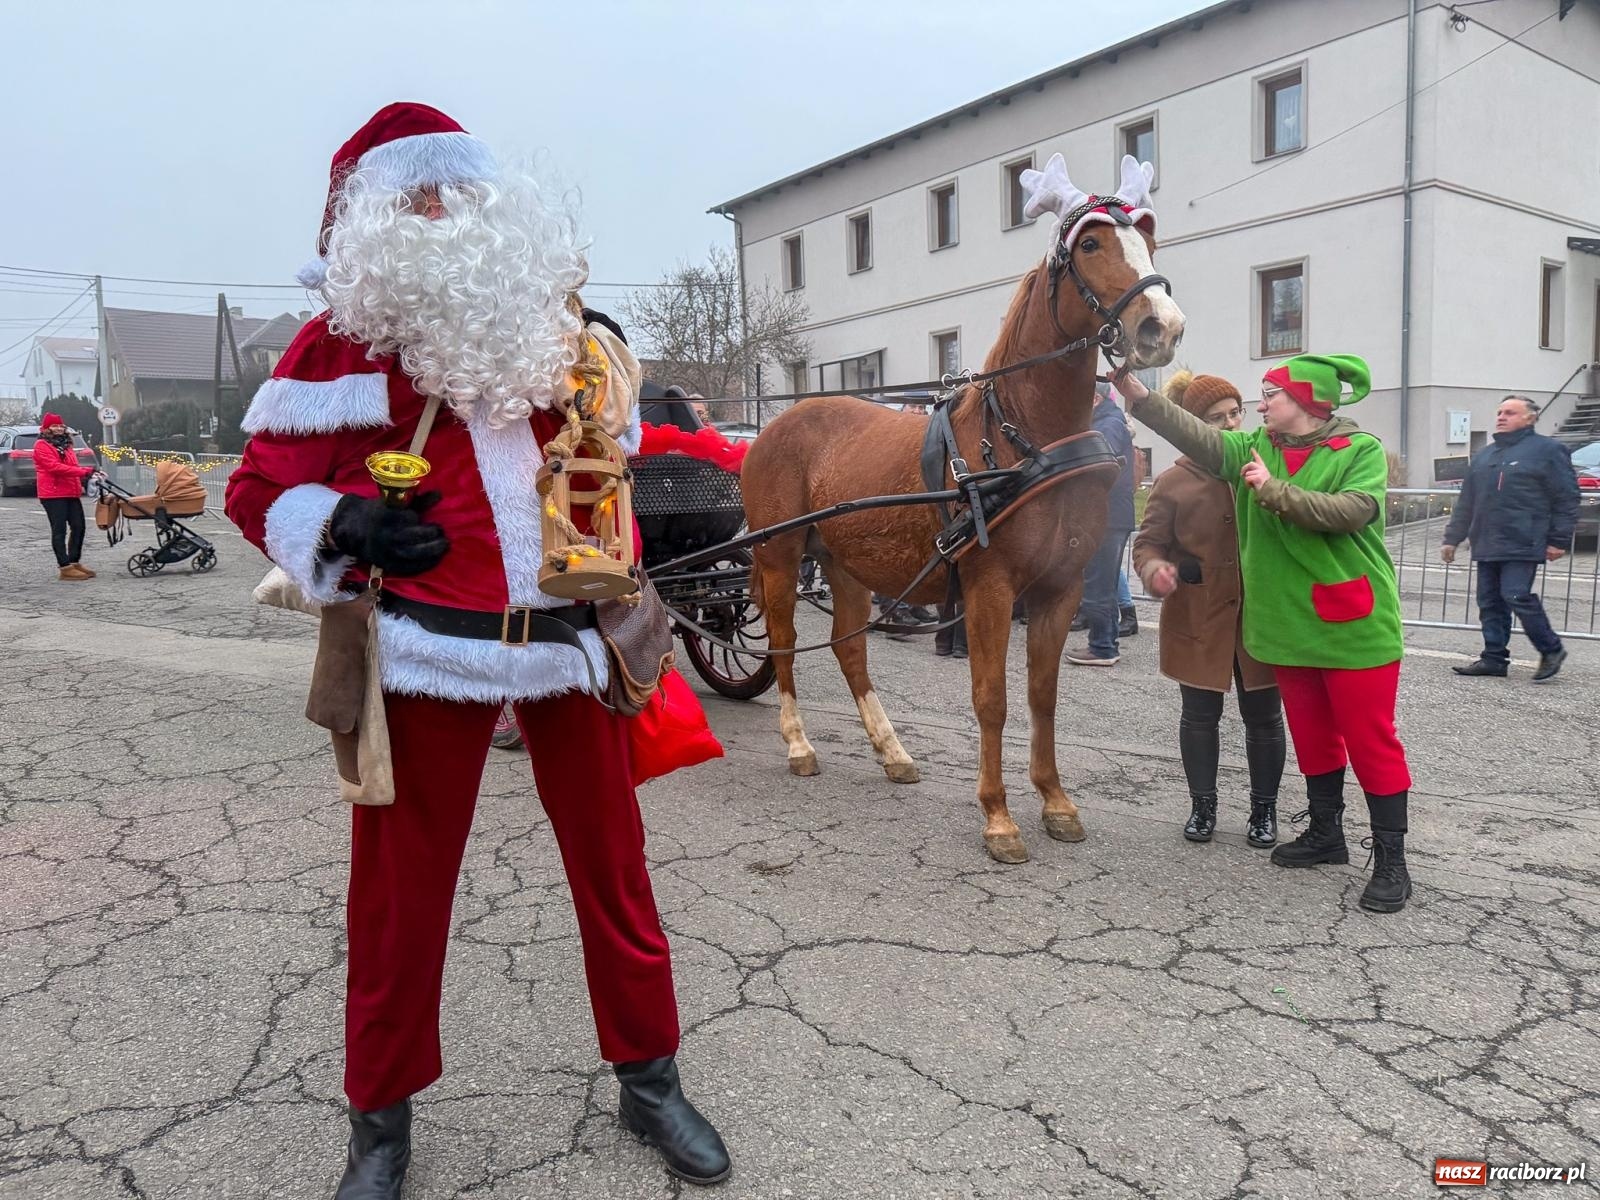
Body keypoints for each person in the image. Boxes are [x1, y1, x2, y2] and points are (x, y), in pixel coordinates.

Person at [224, 103, 730, 1197]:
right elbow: (259, 487)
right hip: (425, 659)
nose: (441, 214)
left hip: (569, 652)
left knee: (617, 877)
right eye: (414, 198)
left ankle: (649, 1079)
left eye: (457, 193)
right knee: (400, 901)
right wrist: (343, 528)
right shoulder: (340, 346)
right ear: (368, 221)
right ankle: (380, 1122)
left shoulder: (560, 337)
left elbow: (623, 458)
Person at [1115, 354, 1414, 914]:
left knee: (1371, 743)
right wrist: (1138, 393)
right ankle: (1327, 834)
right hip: (1284, 628)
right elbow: (1196, 436)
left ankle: (1393, 862)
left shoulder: (1360, 450)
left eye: (1270, 394)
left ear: (1304, 400)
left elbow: (1352, 511)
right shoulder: (1257, 448)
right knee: (1314, 740)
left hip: (1351, 627)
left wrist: (1273, 490)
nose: (1259, 405)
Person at [1131, 373, 1285, 846]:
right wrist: (1159, 568)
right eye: (1217, 418)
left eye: (1235, 412)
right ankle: (1203, 805)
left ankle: (1264, 810)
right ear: (1191, 424)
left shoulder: (1264, 466)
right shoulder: (1175, 481)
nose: (1231, 423)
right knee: (1199, 717)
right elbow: (1148, 544)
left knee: (1265, 719)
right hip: (1199, 617)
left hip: (1259, 619)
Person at [1441, 394, 1577, 683]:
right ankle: (1494, 658)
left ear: (1531, 418)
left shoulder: (1549, 451)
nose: (1501, 417)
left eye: (1511, 413)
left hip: (1524, 539)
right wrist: (1452, 538)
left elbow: (1566, 498)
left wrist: (1559, 540)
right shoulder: (1485, 455)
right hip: (1487, 540)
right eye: (1500, 412)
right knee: (1489, 601)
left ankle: (1551, 649)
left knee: (1515, 594)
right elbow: (1467, 501)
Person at [1066, 381, 1135, 666]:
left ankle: (1103, 647)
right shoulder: (1109, 420)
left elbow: (1098, 459)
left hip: (1108, 515)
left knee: (1099, 582)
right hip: (1110, 514)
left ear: (1094, 398)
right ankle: (1105, 643)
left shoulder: (1108, 423)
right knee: (1102, 581)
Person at [32, 413, 98, 580]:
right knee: (59, 530)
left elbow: (72, 466)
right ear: (46, 428)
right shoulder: (41, 445)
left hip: (70, 491)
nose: (59, 428)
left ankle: (74, 561)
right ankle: (64, 567)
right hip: (53, 494)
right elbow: (55, 467)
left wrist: (90, 474)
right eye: (55, 426)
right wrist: (83, 472)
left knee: (79, 526)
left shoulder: (67, 445)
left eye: (61, 426)